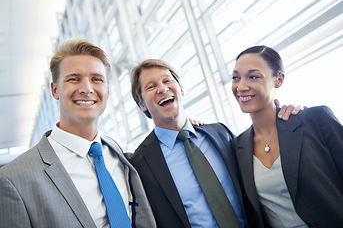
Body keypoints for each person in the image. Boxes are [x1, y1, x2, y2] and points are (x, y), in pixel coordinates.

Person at [0, 39, 156, 228]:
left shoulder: (116, 154)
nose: (87, 89)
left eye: (96, 79)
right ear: (55, 90)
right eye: (73, 79)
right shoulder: (14, 180)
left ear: (107, 91)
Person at [128, 59, 298, 228]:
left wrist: (283, 119)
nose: (163, 89)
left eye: (167, 80)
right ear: (142, 104)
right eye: (151, 87)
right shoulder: (139, 164)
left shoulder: (219, 133)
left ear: (181, 90)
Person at [231, 45, 343, 228]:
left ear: (279, 80)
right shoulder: (236, 148)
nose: (241, 86)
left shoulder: (315, 121)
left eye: (253, 76)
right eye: (236, 77)